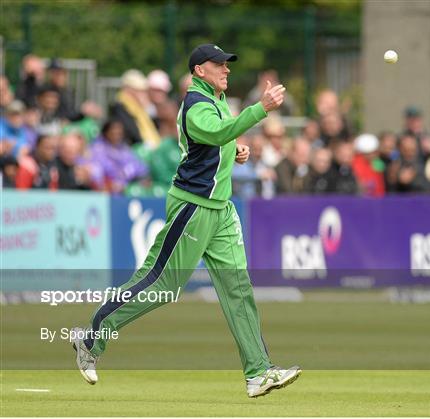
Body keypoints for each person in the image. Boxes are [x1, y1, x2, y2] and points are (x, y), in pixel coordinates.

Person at [71, 43, 301, 398]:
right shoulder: (195, 103)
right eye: (218, 65)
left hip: (221, 210)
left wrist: (234, 152)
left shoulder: (217, 100)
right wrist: (260, 110)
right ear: (199, 71)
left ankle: (258, 372)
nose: (226, 70)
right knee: (161, 286)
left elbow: (220, 138)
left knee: (238, 290)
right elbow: (214, 133)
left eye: (227, 65)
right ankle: (92, 335)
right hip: (193, 207)